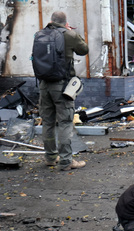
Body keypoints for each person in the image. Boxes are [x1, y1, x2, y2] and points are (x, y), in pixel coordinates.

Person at [38, 11, 88, 171]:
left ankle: (51, 157)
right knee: (65, 122)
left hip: (44, 84)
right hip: (61, 86)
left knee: (47, 122)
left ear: (51, 21)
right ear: (65, 22)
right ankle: (66, 161)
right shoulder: (69, 35)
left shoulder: (40, 34)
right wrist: (71, 31)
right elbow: (84, 50)